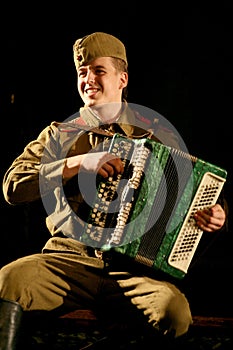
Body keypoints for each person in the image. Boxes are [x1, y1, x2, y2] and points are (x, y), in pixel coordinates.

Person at [0, 32, 227, 349]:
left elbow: (198, 197)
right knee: (8, 281)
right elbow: (12, 187)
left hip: (131, 273)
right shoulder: (58, 135)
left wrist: (217, 214)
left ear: (123, 78)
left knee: (174, 313)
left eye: (98, 70)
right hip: (67, 263)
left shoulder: (155, 137)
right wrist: (77, 163)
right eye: (82, 72)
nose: (88, 79)